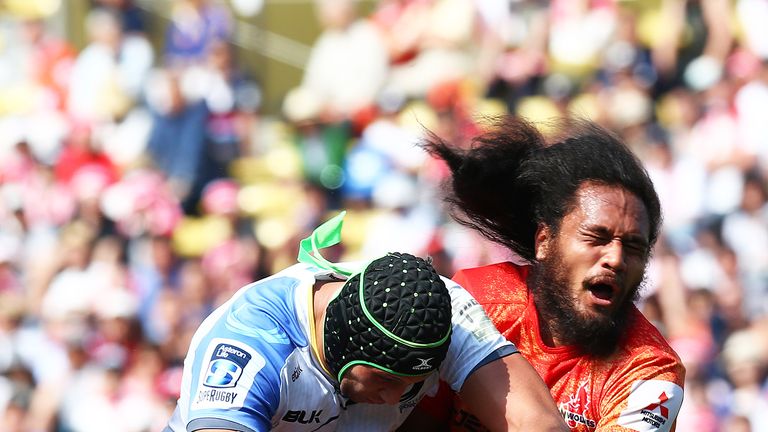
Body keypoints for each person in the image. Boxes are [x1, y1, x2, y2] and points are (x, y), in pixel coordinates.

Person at [164, 212, 568, 431]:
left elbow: (537, 424)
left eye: (412, 385)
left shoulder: (444, 311)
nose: (395, 399)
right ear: (340, 340)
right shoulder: (251, 344)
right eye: (385, 380)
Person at [409, 116, 686, 431]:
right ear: (544, 241)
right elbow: (414, 420)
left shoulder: (651, 368)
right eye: (597, 237)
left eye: (635, 247)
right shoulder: (478, 299)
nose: (616, 258)